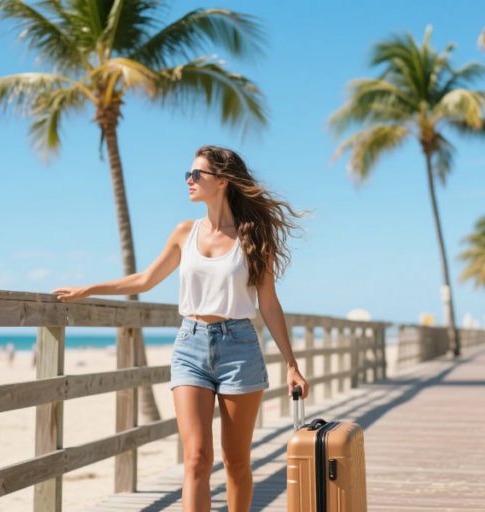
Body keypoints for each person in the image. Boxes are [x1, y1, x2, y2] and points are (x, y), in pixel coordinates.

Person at [52, 145, 310, 512]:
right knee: (196, 458)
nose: (188, 181)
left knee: (236, 461)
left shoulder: (252, 236)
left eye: (196, 174)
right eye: (187, 174)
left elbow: (268, 303)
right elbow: (144, 280)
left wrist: (292, 364)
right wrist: (90, 288)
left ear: (222, 180)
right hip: (189, 345)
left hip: (239, 348)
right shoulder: (183, 233)